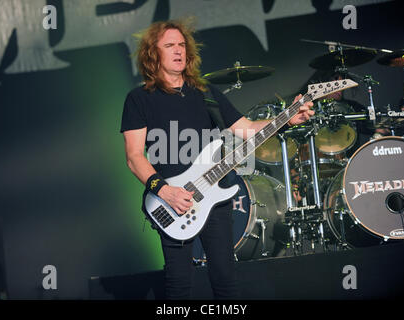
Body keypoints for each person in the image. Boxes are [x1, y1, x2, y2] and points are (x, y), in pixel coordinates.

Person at [120, 19, 314, 300]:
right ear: (153, 54)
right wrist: (166, 191)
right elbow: (134, 157)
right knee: (178, 285)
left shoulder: (206, 93)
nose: (178, 50)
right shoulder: (139, 99)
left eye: (182, 45)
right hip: (172, 201)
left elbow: (247, 130)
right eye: (169, 45)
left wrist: (288, 118)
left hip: (216, 197)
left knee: (226, 280)